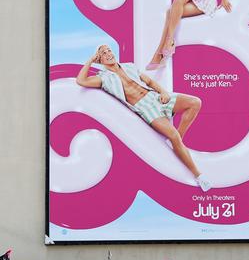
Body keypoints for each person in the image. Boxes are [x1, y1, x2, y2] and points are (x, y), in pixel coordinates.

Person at [76, 45, 211, 191]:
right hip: (145, 108)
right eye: (103, 53)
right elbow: (81, 81)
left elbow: (150, 82)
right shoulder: (103, 78)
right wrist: (90, 60)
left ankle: (179, 142)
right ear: (100, 59)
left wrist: (164, 92)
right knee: (173, 135)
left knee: (195, 103)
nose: (109, 53)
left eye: (109, 50)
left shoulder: (129, 66)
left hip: (155, 97)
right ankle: (199, 176)